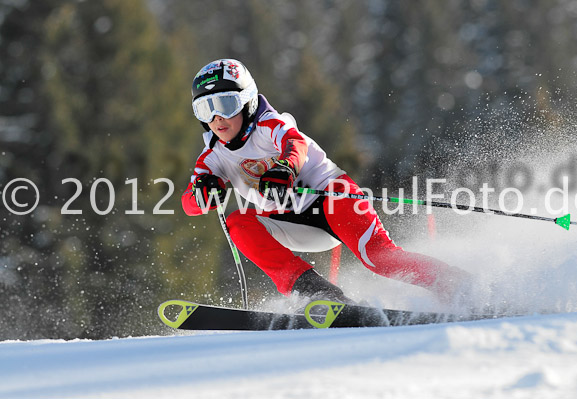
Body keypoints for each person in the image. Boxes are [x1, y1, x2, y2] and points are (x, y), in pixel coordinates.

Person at [182, 58, 471, 305]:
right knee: (238, 222)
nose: (217, 118)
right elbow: (188, 204)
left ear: (248, 102)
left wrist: (285, 169)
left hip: (333, 200)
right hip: (290, 222)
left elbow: (295, 144)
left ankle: (457, 285)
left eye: (226, 104)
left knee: (379, 259)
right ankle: (318, 293)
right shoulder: (212, 156)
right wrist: (202, 194)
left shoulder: (270, 125)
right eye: (205, 110)